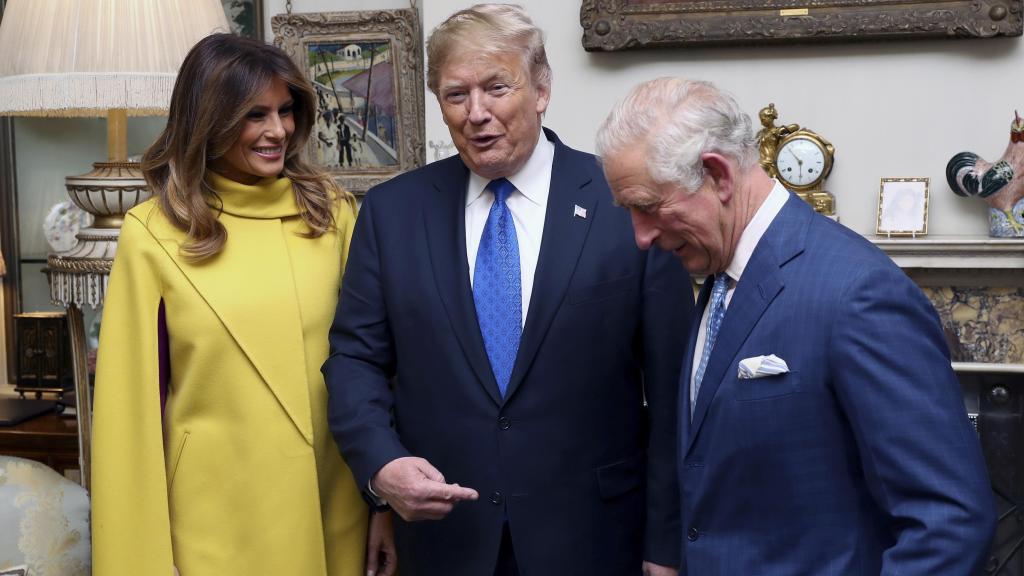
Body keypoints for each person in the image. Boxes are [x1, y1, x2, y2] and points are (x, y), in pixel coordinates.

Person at [322, 5, 693, 576]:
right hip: (442, 539)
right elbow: (354, 360)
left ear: (541, 88)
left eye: (497, 87)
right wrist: (381, 467)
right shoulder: (393, 213)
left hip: (596, 539)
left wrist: (666, 545)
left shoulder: (625, 205)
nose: (477, 114)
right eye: (455, 95)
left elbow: (675, 392)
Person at [596, 77, 996, 575]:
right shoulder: (719, 279)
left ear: (717, 175)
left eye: (647, 207)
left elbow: (950, 520)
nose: (639, 236)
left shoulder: (857, 294)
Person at [91, 34, 395, 576]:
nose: (277, 131)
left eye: (285, 111)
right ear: (209, 120)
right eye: (254, 115)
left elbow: (379, 372)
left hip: (339, 513)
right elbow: (129, 421)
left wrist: (384, 506)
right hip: (217, 528)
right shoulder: (152, 234)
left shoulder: (335, 215)